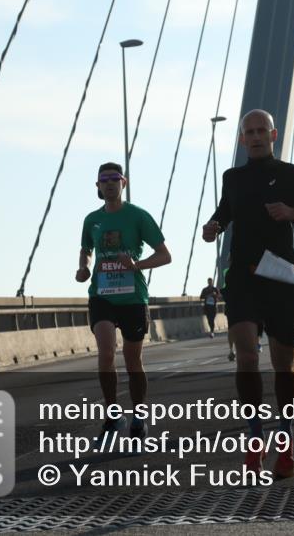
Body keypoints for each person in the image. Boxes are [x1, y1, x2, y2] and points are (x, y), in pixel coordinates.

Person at [202, 109, 294, 479]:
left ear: (273, 134)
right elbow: (225, 211)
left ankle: (285, 438)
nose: (257, 135)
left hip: (280, 278)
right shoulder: (232, 177)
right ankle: (253, 440)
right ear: (242, 139)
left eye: (262, 129)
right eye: (250, 131)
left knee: (284, 363)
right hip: (243, 279)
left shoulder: (291, 175)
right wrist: (214, 226)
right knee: (246, 357)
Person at [76, 162, 172, 440]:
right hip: (101, 296)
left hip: (132, 297)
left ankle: (139, 417)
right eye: (103, 180)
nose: (109, 184)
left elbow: (165, 256)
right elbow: (85, 249)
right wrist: (83, 267)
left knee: (133, 360)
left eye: (114, 179)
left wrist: (136, 265)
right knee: (106, 355)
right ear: (97, 186)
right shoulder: (91, 219)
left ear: (123, 183)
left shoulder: (138, 216)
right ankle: (113, 414)